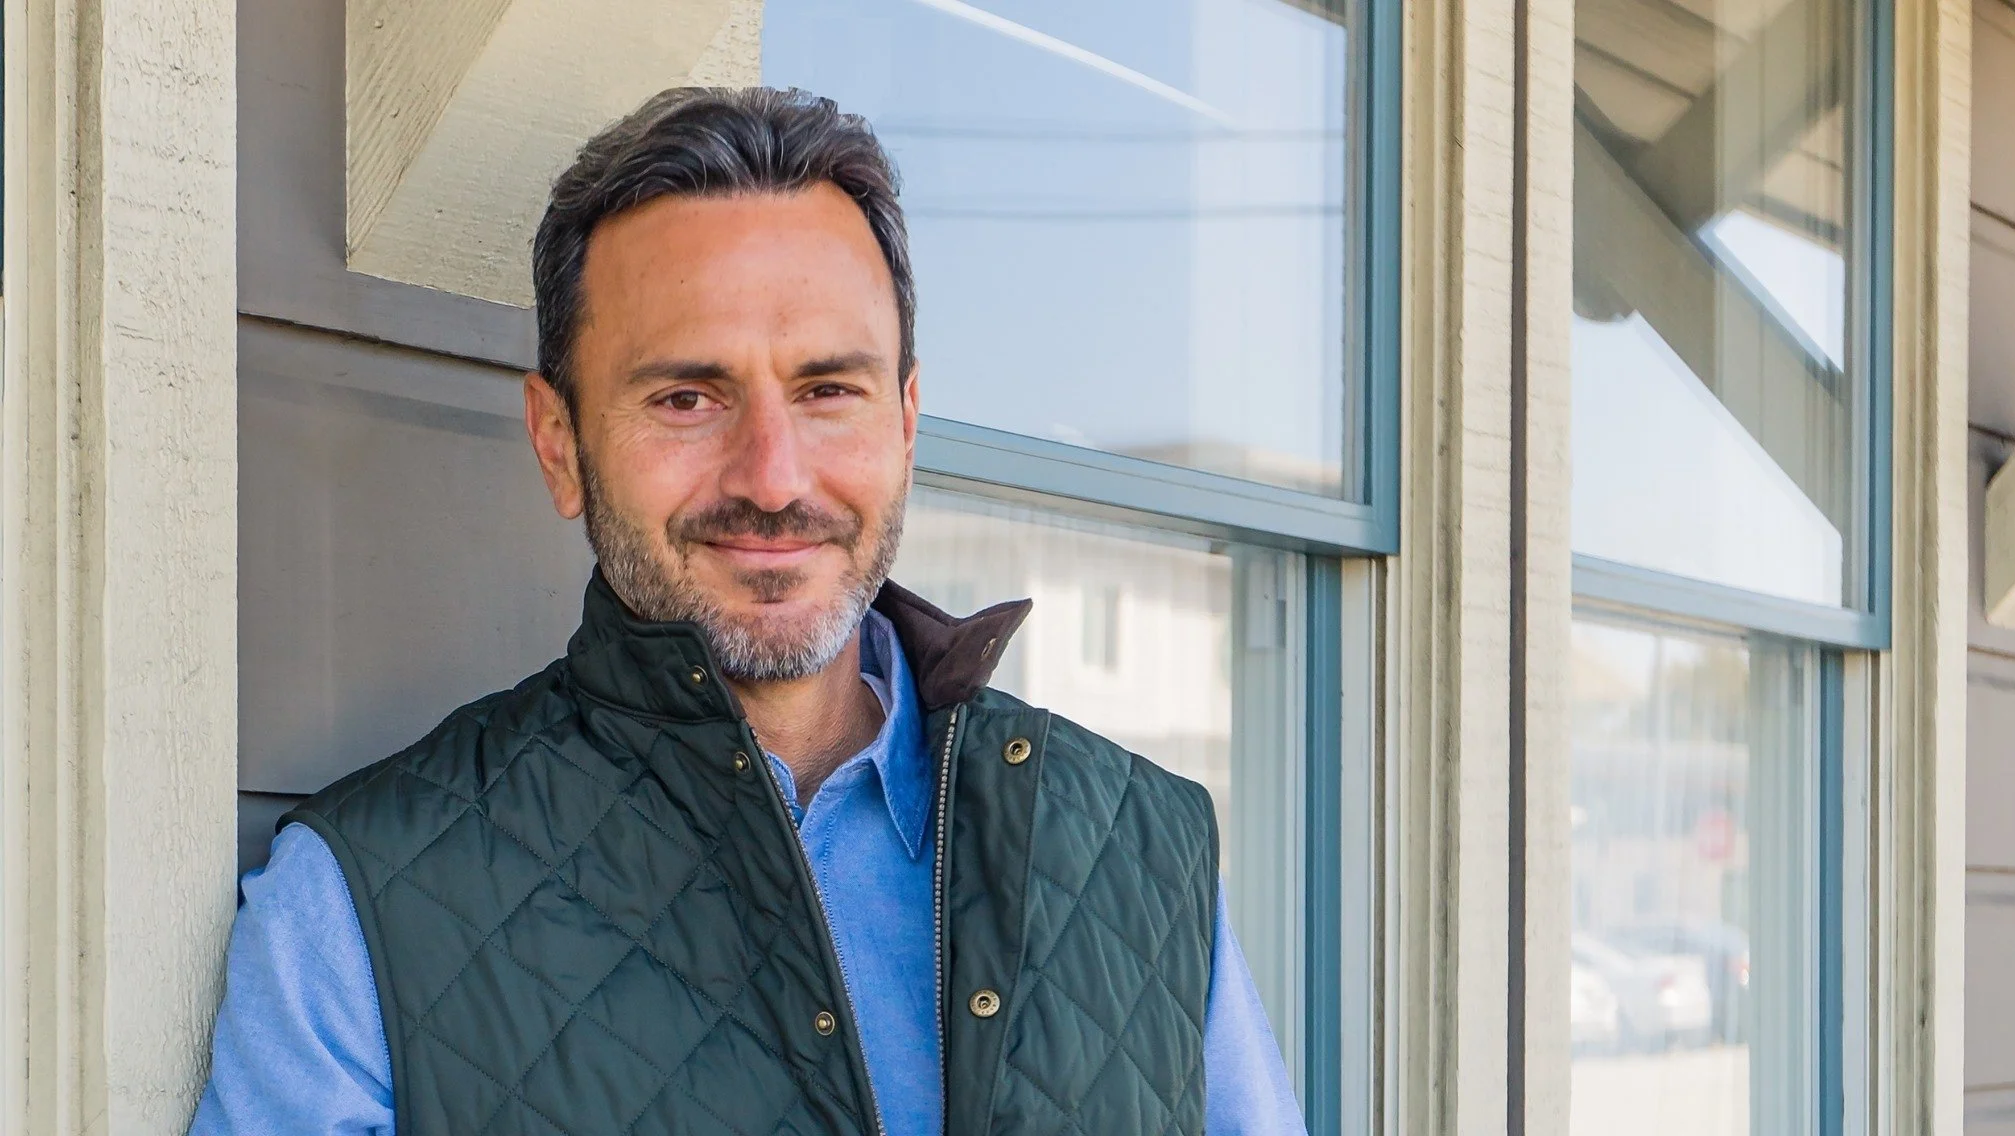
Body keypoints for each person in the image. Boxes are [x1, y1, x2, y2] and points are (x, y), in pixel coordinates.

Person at [190, 86, 1304, 1136]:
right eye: (687, 397)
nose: (772, 477)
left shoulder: (1136, 852)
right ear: (559, 444)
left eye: (828, 390)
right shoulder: (359, 908)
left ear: (905, 423)